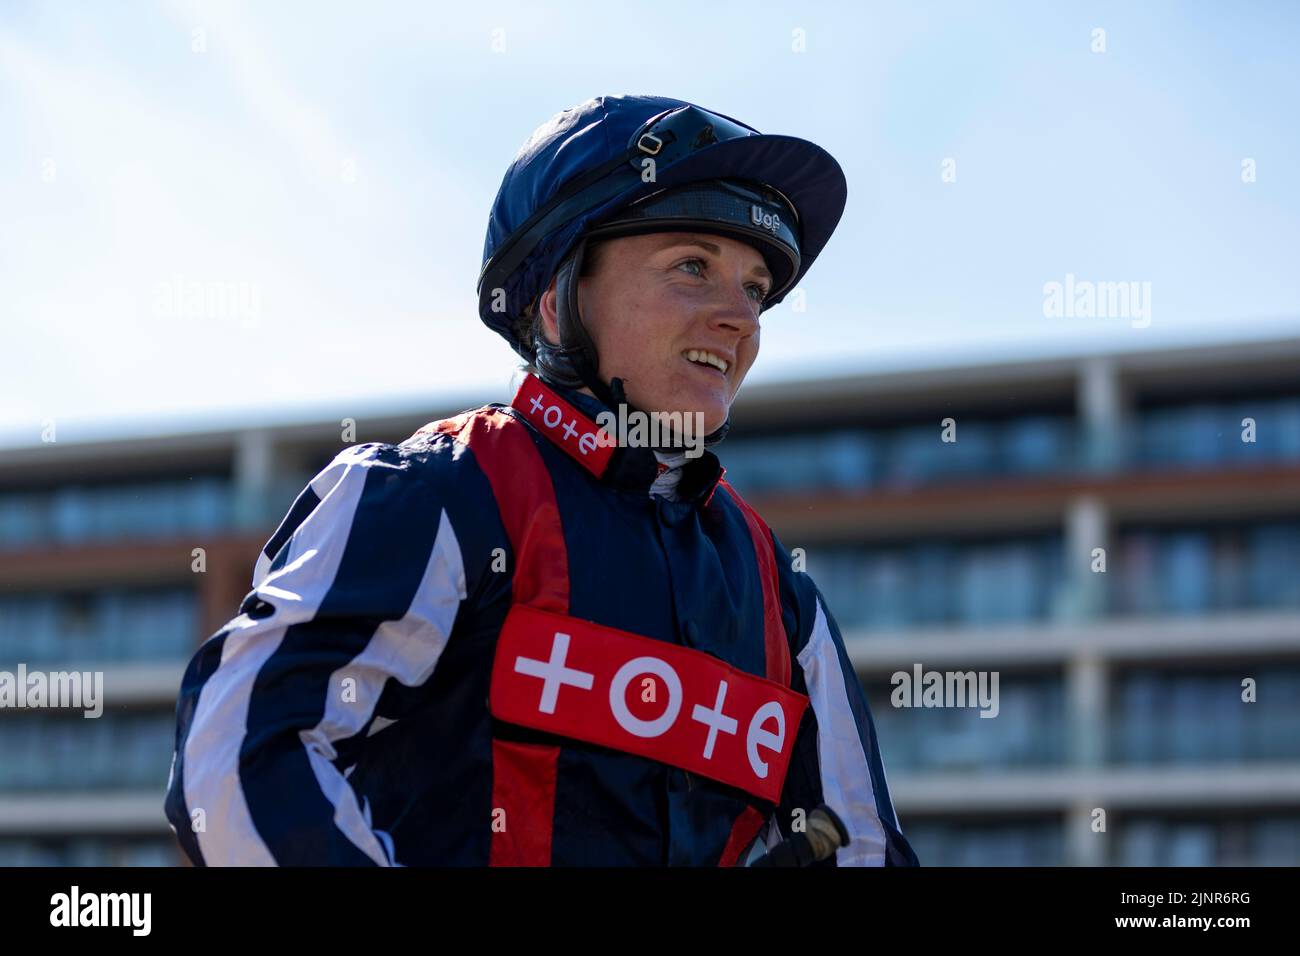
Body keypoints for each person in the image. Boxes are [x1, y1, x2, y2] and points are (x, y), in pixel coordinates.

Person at [163, 94, 919, 867]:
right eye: (693, 267)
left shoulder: (778, 590)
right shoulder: (434, 494)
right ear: (557, 302)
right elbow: (234, 754)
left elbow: (860, 847)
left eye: (756, 289)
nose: (741, 319)